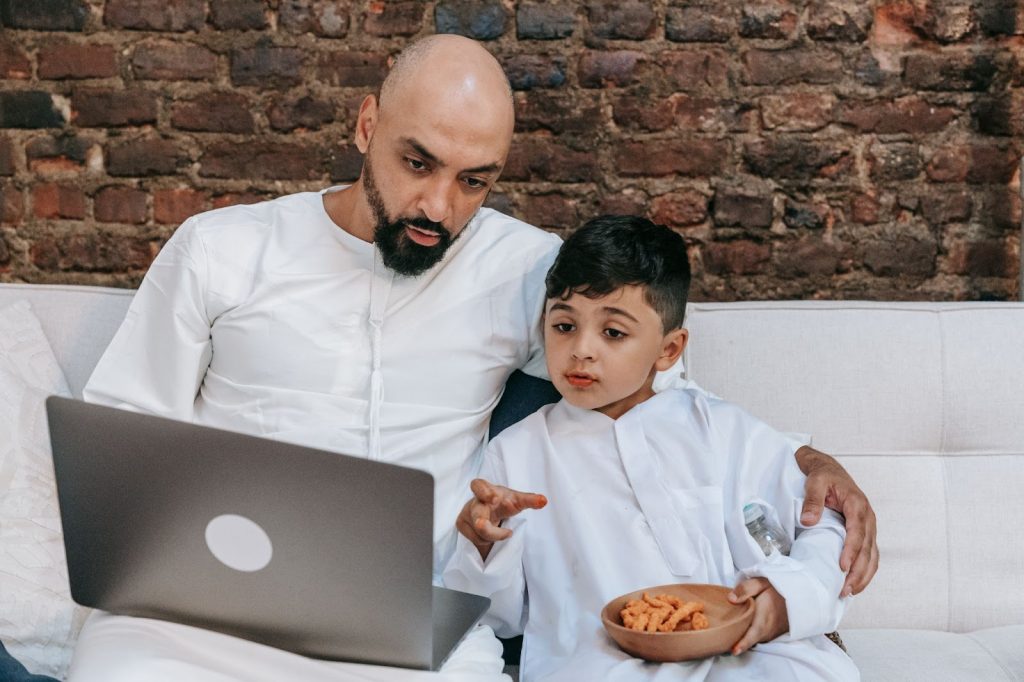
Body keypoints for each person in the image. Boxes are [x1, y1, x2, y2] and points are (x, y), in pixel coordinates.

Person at [71, 34, 875, 681]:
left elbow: (656, 390)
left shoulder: (530, 271)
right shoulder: (222, 250)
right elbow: (123, 435)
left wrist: (806, 460)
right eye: (417, 163)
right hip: (207, 614)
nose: (438, 207)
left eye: (474, 181)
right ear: (364, 126)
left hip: (416, 620)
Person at [444, 215, 860, 681]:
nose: (581, 349)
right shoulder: (517, 455)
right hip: (598, 665)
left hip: (751, 658)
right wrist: (482, 542)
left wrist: (787, 598)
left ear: (669, 350)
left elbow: (820, 522)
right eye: (563, 326)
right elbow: (498, 616)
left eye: (613, 333)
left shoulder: (722, 429)